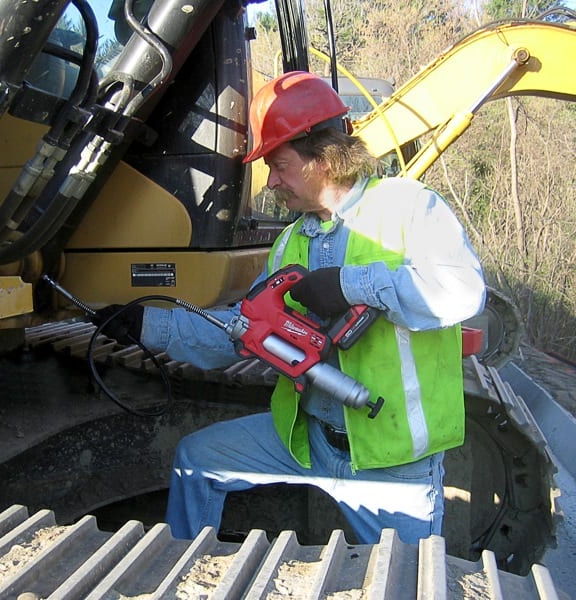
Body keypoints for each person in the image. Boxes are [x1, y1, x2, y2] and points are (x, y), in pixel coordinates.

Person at [95, 70, 486, 545]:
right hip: (306, 439)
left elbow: (463, 290)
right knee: (197, 460)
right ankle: (185, 564)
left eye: (279, 165)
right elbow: (243, 330)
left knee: (408, 577)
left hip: (393, 465)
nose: (272, 182)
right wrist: (147, 325)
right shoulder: (289, 242)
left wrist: (350, 285)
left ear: (325, 155)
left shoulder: (409, 208)